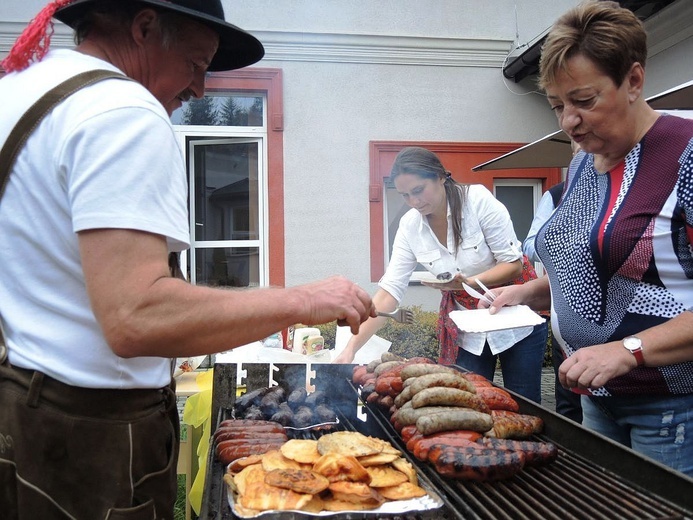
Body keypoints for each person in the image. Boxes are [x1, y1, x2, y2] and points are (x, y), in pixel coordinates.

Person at [0, 1, 375, 517]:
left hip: (20, 416)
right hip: (92, 442)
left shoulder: (18, 94)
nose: (199, 89)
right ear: (145, 26)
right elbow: (137, 316)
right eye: (196, 64)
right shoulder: (123, 112)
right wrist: (300, 299)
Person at [483, 0, 693, 476]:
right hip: (594, 398)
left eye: (583, 101)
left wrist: (628, 350)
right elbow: (596, 266)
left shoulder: (687, 153)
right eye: (558, 105)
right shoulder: (582, 161)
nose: (568, 123)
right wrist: (527, 290)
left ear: (634, 80)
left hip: (673, 406)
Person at [333, 146, 548, 403]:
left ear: (440, 177)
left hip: (516, 317)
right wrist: (350, 350)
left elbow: (511, 264)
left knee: (523, 403)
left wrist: (467, 282)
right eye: (404, 195)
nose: (413, 201)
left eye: (418, 190)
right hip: (468, 325)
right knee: (466, 402)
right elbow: (390, 292)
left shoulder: (477, 201)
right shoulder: (410, 226)